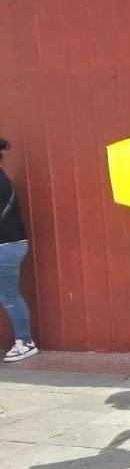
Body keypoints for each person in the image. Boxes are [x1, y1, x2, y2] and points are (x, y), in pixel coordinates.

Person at [0, 138, 36, 362]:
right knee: (9, 295)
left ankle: (26, 342)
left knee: (10, 296)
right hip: (11, 244)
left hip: (6, 246)